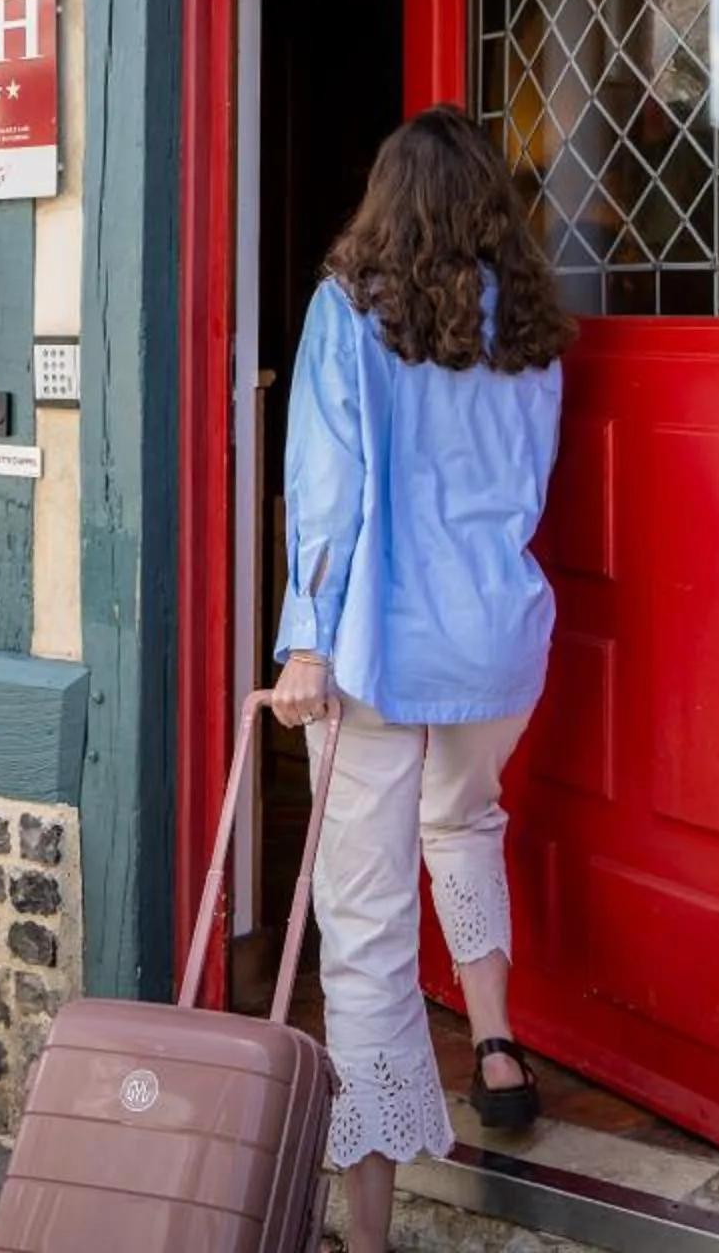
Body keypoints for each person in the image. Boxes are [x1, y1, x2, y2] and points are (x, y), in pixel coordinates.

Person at [266, 104, 577, 1253]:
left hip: (378, 654)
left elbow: (329, 488)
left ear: (385, 200)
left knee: (364, 927)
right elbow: (528, 483)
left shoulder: (351, 312)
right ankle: (496, 1044)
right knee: (468, 816)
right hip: (498, 641)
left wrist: (305, 640)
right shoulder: (531, 324)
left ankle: (372, 1226)